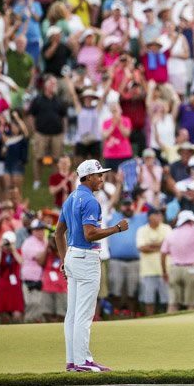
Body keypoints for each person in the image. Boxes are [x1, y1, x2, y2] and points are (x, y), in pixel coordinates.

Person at [55, 159, 128, 373]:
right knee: (84, 314)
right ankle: (83, 361)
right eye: (98, 175)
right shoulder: (90, 201)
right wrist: (117, 228)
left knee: (73, 314)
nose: (101, 179)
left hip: (73, 256)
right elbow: (90, 234)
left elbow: (59, 233)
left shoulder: (70, 198)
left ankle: (72, 361)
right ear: (87, 177)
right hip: (86, 258)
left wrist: (64, 259)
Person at [106, 197, 148, 314]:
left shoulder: (140, 218)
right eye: (125, 205)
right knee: (115, 291)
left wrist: (142, 199)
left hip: (135, 261)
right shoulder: (114, 217)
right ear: (121, 207)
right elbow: (110, 204)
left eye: (130, 205)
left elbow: (155, 210)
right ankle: (115, 315)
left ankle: (132, 315)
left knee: (133, 292)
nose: (128, 207)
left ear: (134, 206)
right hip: (116, 260)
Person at [135, 207, 171, 315]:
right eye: (157, 214)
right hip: (147, 271)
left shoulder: (167, 228)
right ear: (150, 216)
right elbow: (141, 248)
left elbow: (169, 246)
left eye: (160, 215)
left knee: (167, 300)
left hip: (165, 270)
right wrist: (161, 246)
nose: (160, 217)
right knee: (148, 300)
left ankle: (167, 321)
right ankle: (149, 321)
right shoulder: (142, 230)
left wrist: (150, 246)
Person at [19, 219, 48, 323]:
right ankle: (27, 325)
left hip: (41, 278)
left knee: (40, 305)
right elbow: (40, 259)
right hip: (30, 279)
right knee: (33, 304)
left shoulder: (44, 241)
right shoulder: (29, 242)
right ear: (32, 231)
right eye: (38, 229)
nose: (41, 232)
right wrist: (48, 248)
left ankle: (35, 327)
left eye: (42, 229)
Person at [0, 231, 24, 323]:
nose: (7, 245)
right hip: (3, 283)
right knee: (3, 312)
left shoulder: (17, 251)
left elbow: (21, 261)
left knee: (17, 312)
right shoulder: (1, 253)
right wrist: (0, 249)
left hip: (15, 285)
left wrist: (13, 249)